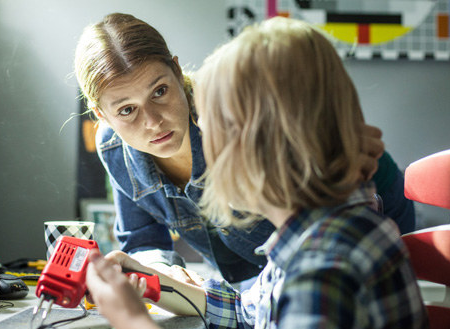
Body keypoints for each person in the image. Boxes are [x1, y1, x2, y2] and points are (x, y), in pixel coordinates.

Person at [85, 17, 428, 329]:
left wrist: (130, 319)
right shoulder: (294, 248)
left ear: (266, 141)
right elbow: (245, 310)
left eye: (213, 130)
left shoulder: (320, 270)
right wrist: (156, 282)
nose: (205, 152)